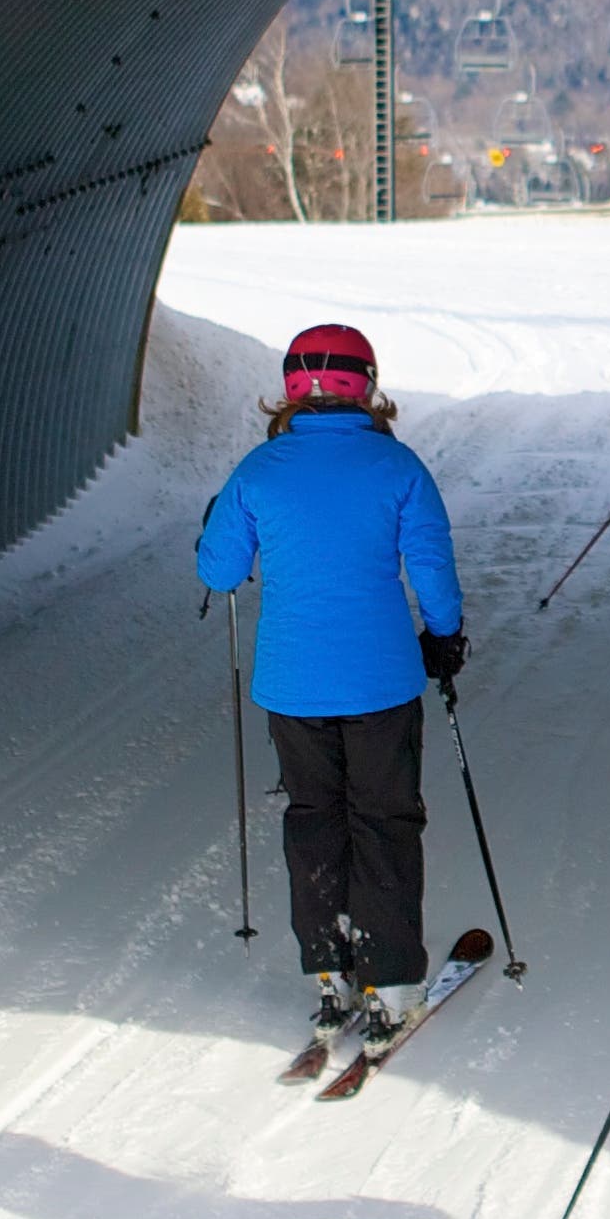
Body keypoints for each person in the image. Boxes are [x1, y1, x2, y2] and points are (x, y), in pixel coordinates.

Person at [193, 322, 468, 1061]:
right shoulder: (398, 467)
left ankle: (328, 970)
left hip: (292, 684)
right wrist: (444, 638)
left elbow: (218, 572)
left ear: (288, 390)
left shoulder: (258, 471)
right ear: (368, 386)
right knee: (384, 818)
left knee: (315, 817)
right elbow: (433, 574)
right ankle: (392, 981)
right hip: (381, 680)